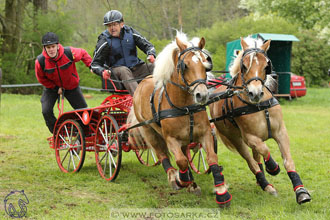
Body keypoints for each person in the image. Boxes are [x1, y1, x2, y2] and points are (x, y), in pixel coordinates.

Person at [35, 32, 92, 133]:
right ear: (44, 48)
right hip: (52, 89)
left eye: (53, 46)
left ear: (57, 46)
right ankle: (58, 133)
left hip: (71, 87)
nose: (51, 49)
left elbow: (83, 53)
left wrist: (91, 65)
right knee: (46, 111)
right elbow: (41, 78)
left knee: (84, 112)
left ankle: (84, 134)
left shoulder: (69, 52)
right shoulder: (40, 61)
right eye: (48, 47)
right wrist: (55, 88)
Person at [91, 10, 156, 96]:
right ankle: (139, 99)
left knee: (156, 66)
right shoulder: (104, 40)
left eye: (114, 24)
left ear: (122, 24)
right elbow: (94, 64)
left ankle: (160, 95)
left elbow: (148, 46)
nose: (112, 28)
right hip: (117, 73)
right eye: (109, 25)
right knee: (124, 70)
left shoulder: (131, 32)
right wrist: (102, 71)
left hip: (136, 68)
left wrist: (151, 54)